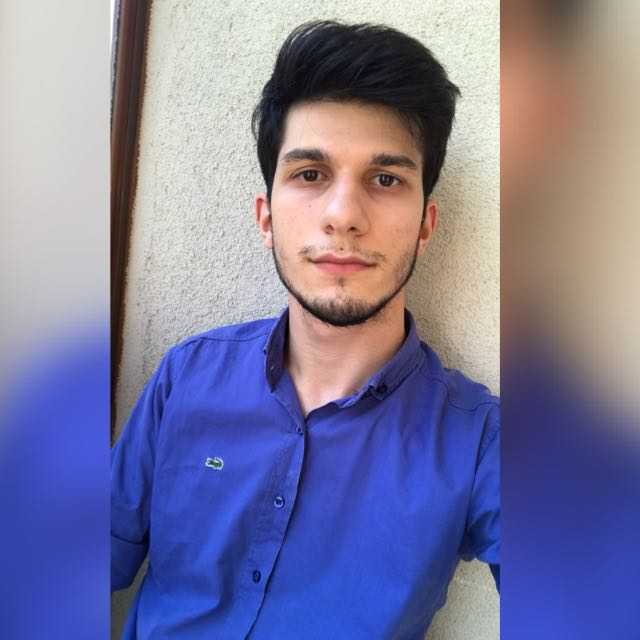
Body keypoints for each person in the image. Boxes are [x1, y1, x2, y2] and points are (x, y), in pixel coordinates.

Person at [111, 20, 499, 639]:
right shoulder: (187, 376)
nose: (344, 216)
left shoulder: (478, 439)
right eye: (310, 174)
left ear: (426, 225)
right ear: (266, 217)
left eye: (386, 179)